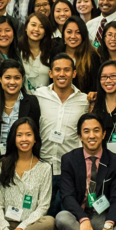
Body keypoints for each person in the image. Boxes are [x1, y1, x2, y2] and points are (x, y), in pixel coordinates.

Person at [35, 53, 90, 214]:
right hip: (43, 166)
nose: (62, 74)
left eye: (67, 70)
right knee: (43, 215)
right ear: (50, 73)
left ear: (74, 73)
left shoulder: (85, 101)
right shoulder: (38, 96)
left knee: (68, 214)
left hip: (70, 169)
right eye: (57, 70)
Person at [0, 59, 41, 156]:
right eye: (7, 77)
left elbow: (35, 134)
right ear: (0, 79)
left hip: (23, 157)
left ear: (22, 79)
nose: (12, 82)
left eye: (17, 78)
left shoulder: (31, 102)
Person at [90, 60, 116, 157]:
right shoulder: (94, 105)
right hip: (100, 159)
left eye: (113, 76)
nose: (108, 80)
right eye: (104, 77)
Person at [59, 17, 100, 93]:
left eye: (78, 32)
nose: (73, 36)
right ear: (63, 33)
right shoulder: (56, 52)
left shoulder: (92, 56)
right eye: (69, 32)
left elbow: (95, 87)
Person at [16, 12, 53, 94]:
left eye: (41, 27)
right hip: (23, 100)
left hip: (46, 100)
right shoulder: (16, 50)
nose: (36, 29)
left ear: (46, 31)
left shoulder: (52, 51)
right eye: (33, 25)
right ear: (26, 27)